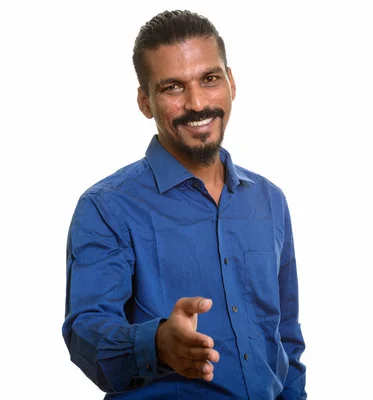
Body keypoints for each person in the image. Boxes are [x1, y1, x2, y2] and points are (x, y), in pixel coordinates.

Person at [62, 10, 307, 399]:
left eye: (209, 79)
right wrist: (157, 343)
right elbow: (86, 334)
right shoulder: (107, 207)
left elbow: (285, 340)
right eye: (173, 87)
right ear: (145, 102)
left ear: (231, 82)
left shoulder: (269, 200)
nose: (197, 103)